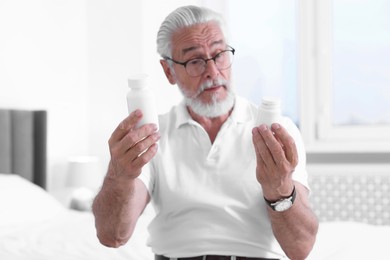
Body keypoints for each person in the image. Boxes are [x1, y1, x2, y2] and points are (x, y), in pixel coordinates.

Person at [92, 5, 318, 260]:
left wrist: (281, 190)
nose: (212, 71)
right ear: (169, 71)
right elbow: (112, 236)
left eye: (220, 54)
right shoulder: (152, 135)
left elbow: (300, 248)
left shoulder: (277, 132)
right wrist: (118, 174)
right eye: (195, 61)